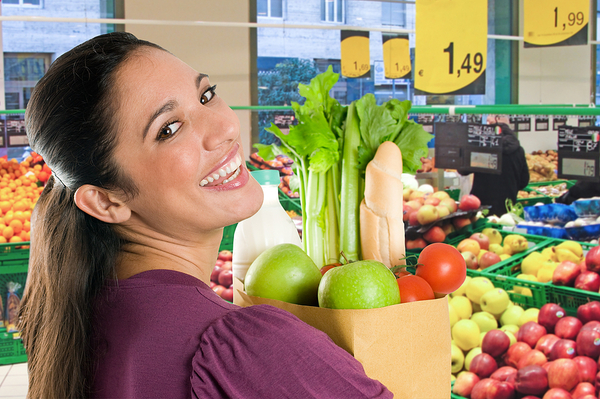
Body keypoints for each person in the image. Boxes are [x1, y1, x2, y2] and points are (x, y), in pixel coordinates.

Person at [18, 32, 392, 399]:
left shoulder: (68, 324)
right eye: (169, 129)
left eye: (206, 95)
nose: (227, 128)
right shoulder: (248, 348)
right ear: (105, 201)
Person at [458, 114, 530, 216]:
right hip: (507, 207)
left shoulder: (482, 148)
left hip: (481, 207)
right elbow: (524, 181)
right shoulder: (519, 150)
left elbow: (462, 170)